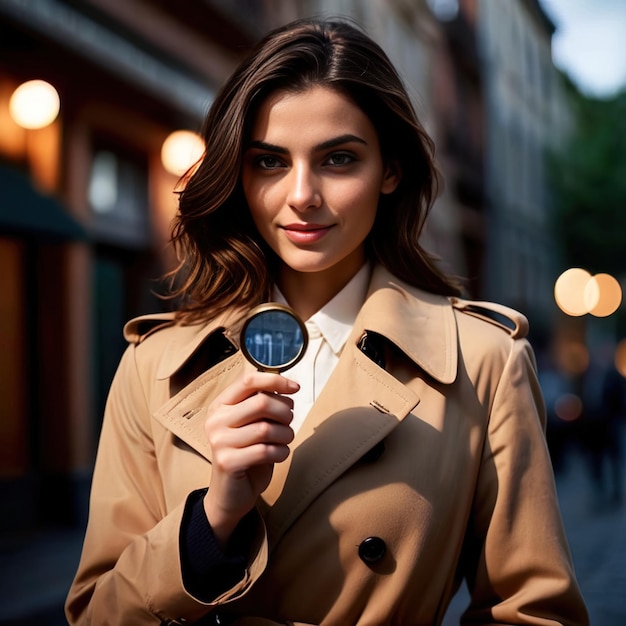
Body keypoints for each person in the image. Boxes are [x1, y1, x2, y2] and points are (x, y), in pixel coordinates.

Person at [65, 17, 588, 626]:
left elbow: (534, 612)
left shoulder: (481, 360)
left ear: (390, 170)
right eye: (269, 162)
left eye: (338, 159)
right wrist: (211, 521)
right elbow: (95, 613)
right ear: (237, 172)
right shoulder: (156, 363)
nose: (302, 195)